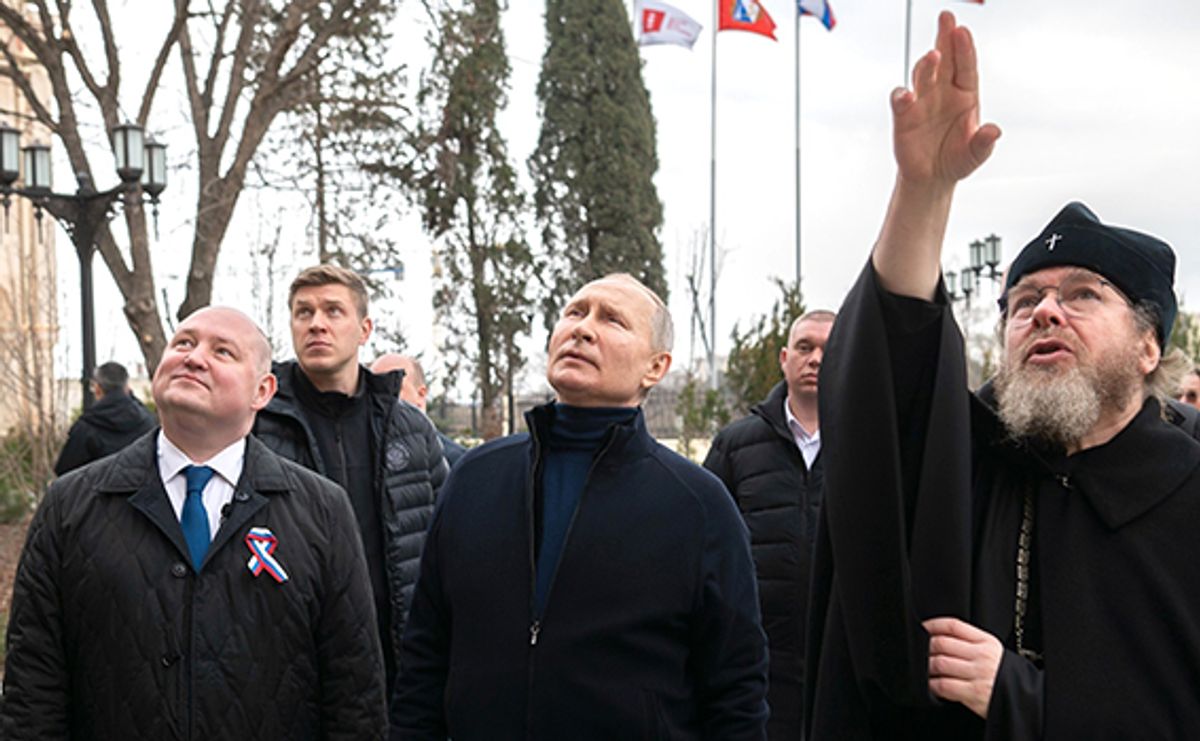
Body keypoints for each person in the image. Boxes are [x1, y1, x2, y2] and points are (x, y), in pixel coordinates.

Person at [805, 12, 1200, 740]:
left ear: (1151, 346)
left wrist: (1021, 697)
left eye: (1083, 294)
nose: (1045, 311)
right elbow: (892, 381)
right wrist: (923, 193)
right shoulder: (974, 466)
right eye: (1023, 301)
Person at [391, 273, 768, 739]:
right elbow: (425, 657)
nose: (583, 328)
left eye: (612, 319)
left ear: (656, 366)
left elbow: (736, 690)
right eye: (575, 311)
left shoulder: (699, 506)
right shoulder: (474, 478)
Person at [1, 307, 386, 739]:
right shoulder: (70, 505)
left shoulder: (322, 511)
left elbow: (355, 693)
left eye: (223, 352)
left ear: (262, 390)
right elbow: (33, 689)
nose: (195, 357)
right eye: (183, 343)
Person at [253, 265, 448, 698]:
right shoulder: (255, 427)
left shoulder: (410, 428)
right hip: (289, 667)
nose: (316, 323)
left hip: (399, 666)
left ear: (363, 329)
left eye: (333, 311)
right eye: (303, 312)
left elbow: (448, 540)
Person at [703, 309, 834, 739]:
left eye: (828, 349)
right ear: (783, 357)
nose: (815, 358)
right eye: (804, 347)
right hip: (758, 662)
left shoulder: (869, 443)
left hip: (839, 659)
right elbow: (704, 547)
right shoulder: (736, 445)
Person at [54, 361, 156, 475]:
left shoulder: (86, 427)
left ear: (97, 389)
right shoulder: (148, 421)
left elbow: (65, 472)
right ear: (127, 387)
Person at [370, 353, 467, 466]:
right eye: (374, 389)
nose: (380, 397)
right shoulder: (359, 458)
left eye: (392, 386)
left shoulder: (459, 463)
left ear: (420, 394)